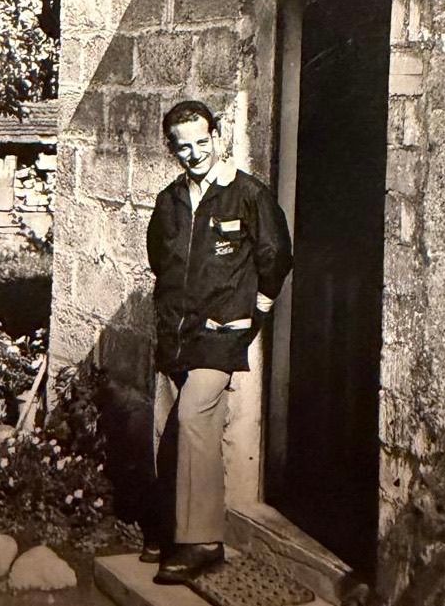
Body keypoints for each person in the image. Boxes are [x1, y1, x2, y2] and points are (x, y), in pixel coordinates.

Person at [144, 99, 292, 585]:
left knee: (195, 415)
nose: (193, 154)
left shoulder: (247, 194)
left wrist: (256, 313)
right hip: (178, 333)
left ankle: (203, 541)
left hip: (223, 332)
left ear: (218, 134)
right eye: (182, 147)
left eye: (201, 143)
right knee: (174, 427)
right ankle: (170, 528)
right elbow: (159, 261)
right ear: (171, 147)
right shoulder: (169, 201)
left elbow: (276, 257)